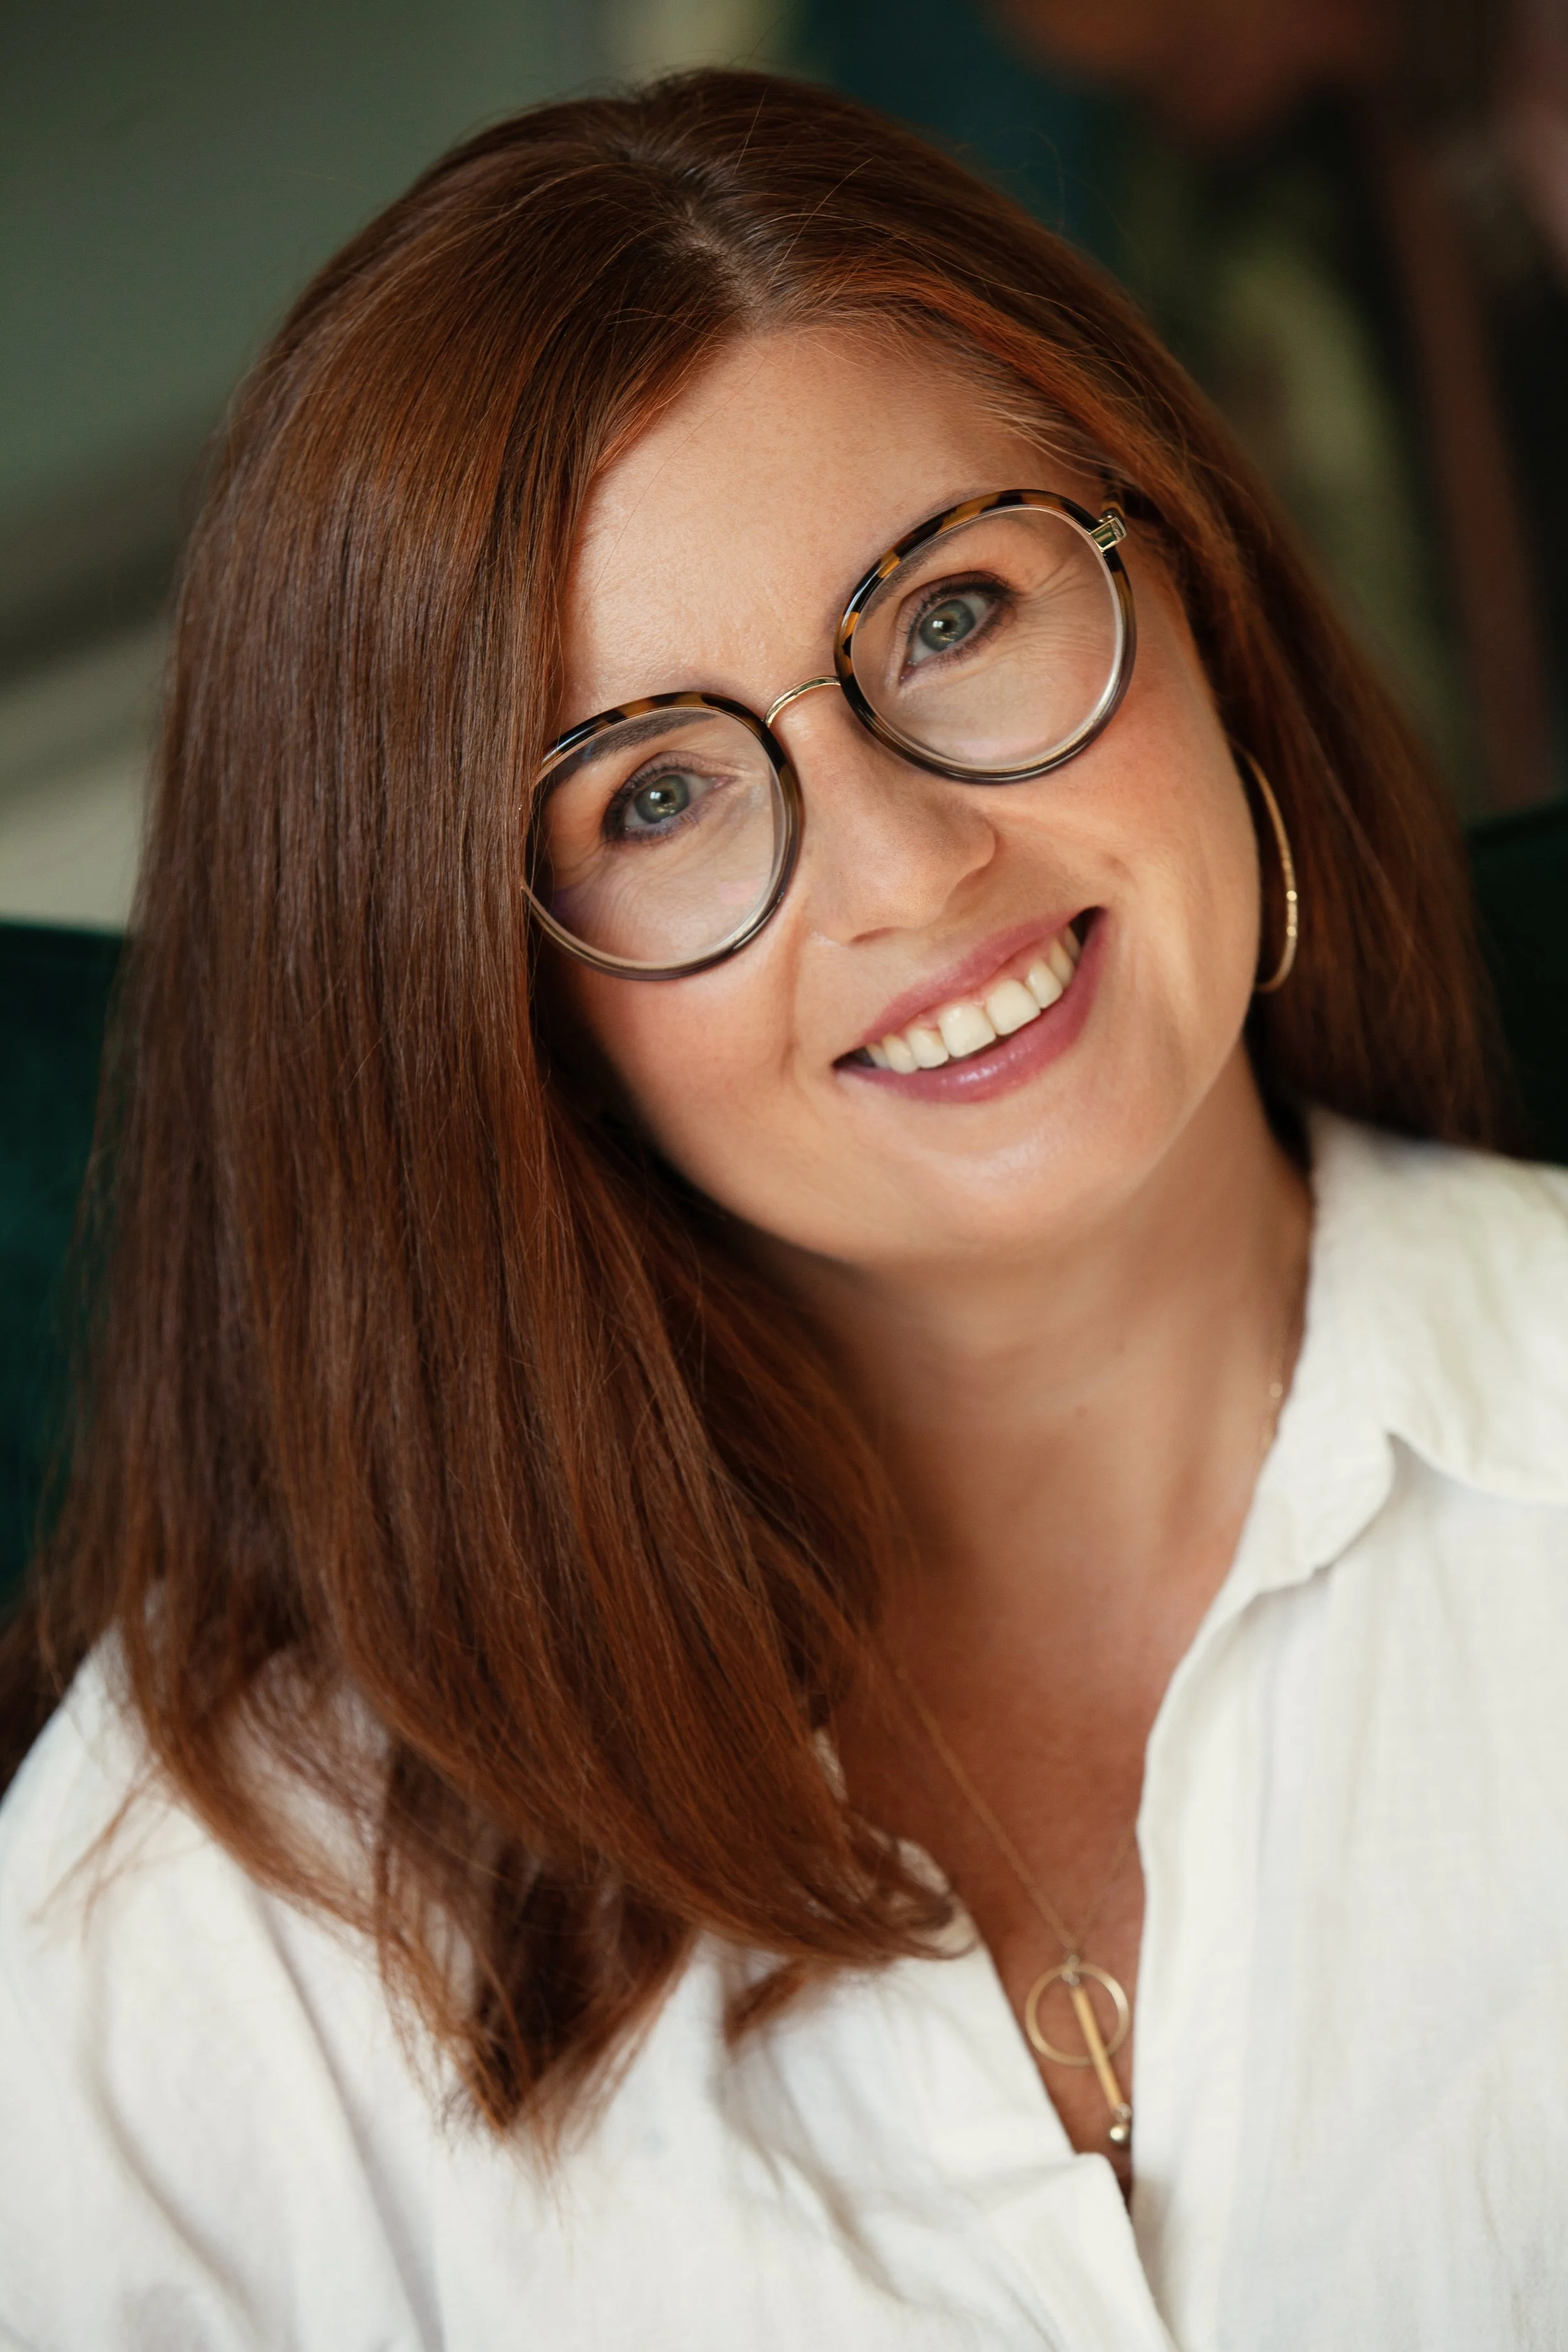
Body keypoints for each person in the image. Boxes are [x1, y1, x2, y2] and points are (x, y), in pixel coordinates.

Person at [2, 68, 1565, 2352]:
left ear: (1190, 582)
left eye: (948, 615)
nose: (914, 868)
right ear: (472, 997)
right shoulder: (218, 1911)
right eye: (650, 792)